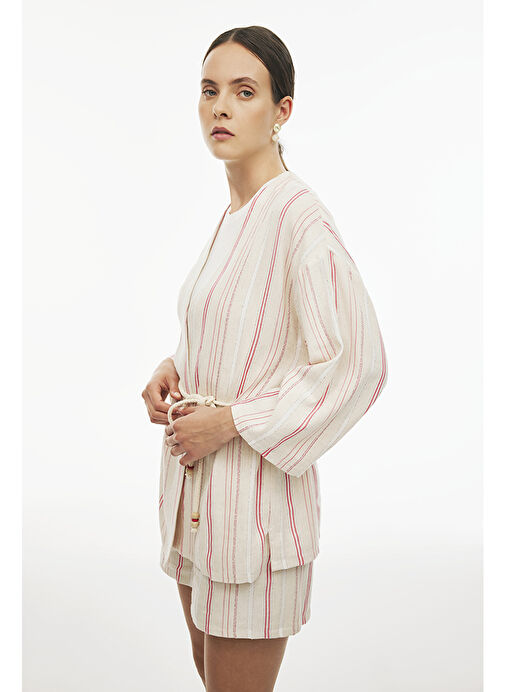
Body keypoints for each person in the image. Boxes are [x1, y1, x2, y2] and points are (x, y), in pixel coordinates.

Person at [142, 25, 388, 692]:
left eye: (243, 92)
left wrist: (230, 422)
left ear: (282, 110)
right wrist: (176, 365)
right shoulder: (236, 214)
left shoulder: (301, 221)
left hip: (253, 516)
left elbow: (356, 364)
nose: (220, 107)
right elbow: (247, 328)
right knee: (210, 678)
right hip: (199, 504)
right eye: (209, 90)